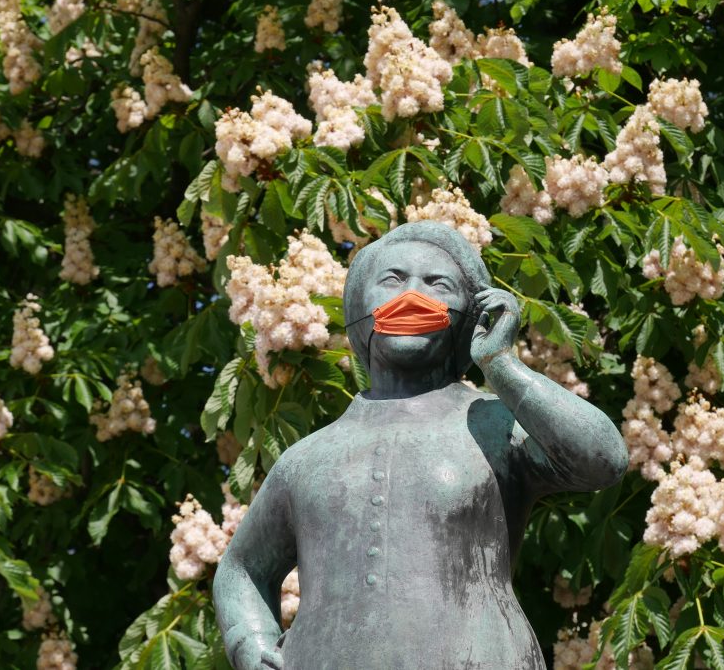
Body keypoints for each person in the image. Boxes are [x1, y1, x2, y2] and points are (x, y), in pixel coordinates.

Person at [214, 221, 627, 669]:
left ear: (468, 314)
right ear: (361, 306)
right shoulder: (305, 459)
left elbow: (603, 460)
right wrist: (250, 643)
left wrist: (502, 367)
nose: (412, 297)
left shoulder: (495, 422)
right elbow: (242, 569)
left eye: (438, 284)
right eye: (392, 279)